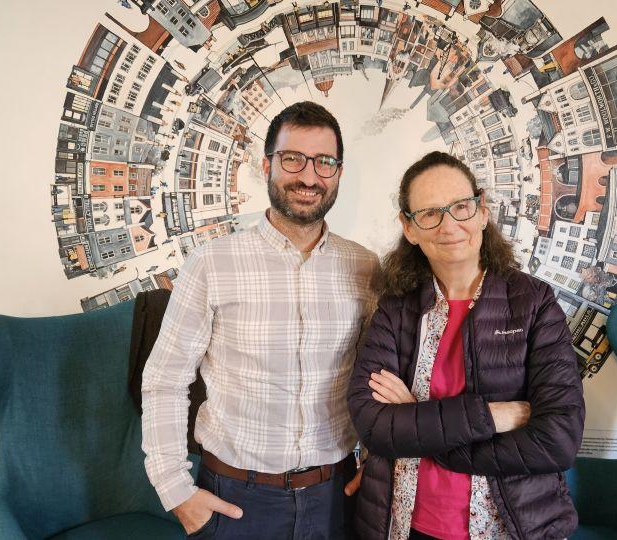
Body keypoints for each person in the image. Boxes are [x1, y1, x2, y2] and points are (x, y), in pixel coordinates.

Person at [142, 102, 380, 539]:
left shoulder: (365, 268)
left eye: (324, 162)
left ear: (338, 173)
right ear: (267, 164)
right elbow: (165, 379)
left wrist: (378, 464)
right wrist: (175, 490)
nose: (309, 177)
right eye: (293, 159)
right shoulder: (212, 264)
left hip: (337, 498)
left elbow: (376, 380)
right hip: (236, 501)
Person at [348, 151, 584, 539]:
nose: (449, 225)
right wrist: (494, 417)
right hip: (403, 527)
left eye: (460, 207)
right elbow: (373, 425)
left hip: (508, 529)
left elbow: (558, 440)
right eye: (429, 213)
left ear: (482, 211)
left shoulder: (533, 303)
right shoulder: (395, 308)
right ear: (409, 228)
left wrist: (420, 422)